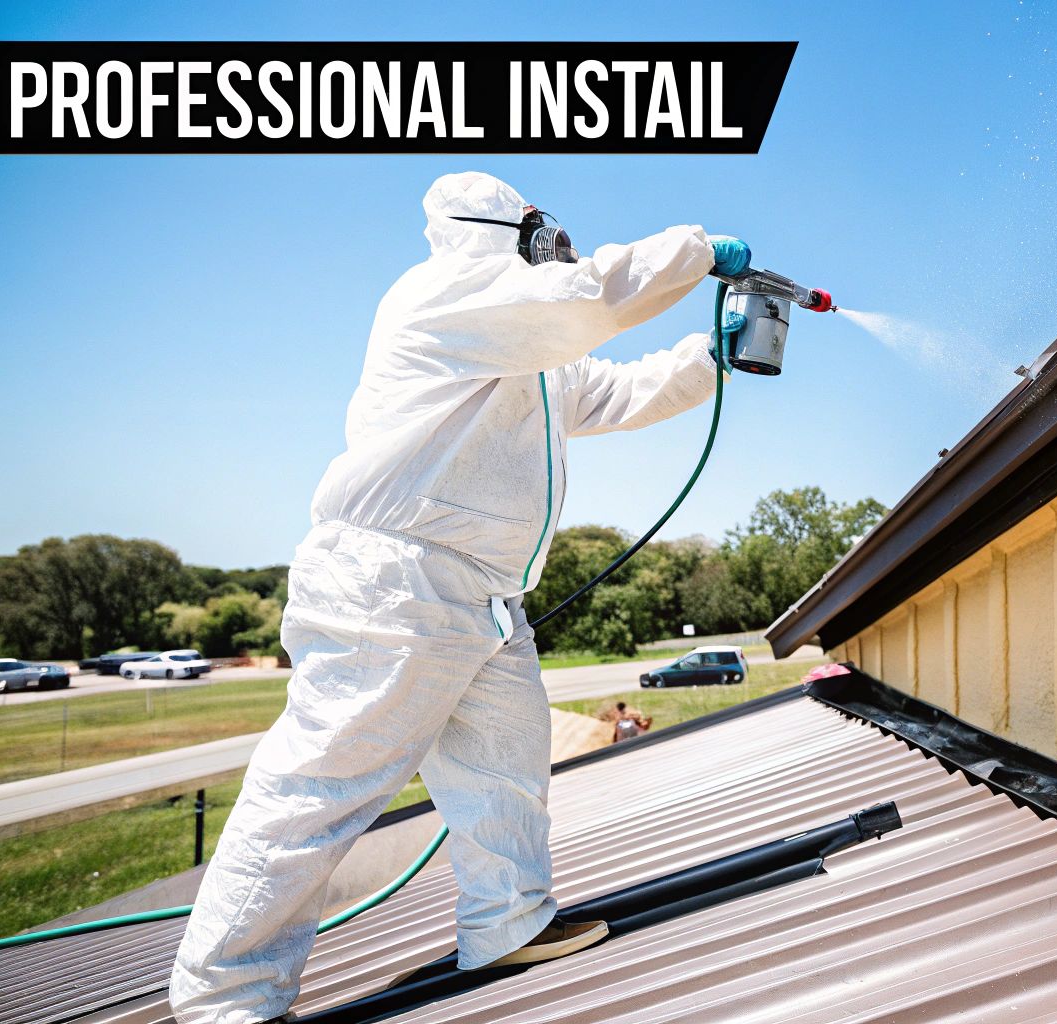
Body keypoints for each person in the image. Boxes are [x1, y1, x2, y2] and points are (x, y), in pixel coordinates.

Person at [169, 171, 750, 1024]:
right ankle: (224, 1000)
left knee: (505, 771)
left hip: (479, 592)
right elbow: (590, 295)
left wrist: (709, 358)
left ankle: (508, 924)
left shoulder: (526, 343)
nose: (555, 239)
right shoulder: (448, 294)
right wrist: (694, 251)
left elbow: (613, 389)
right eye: (536, 227)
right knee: (317, 791)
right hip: (394, 583)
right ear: (496, 231)